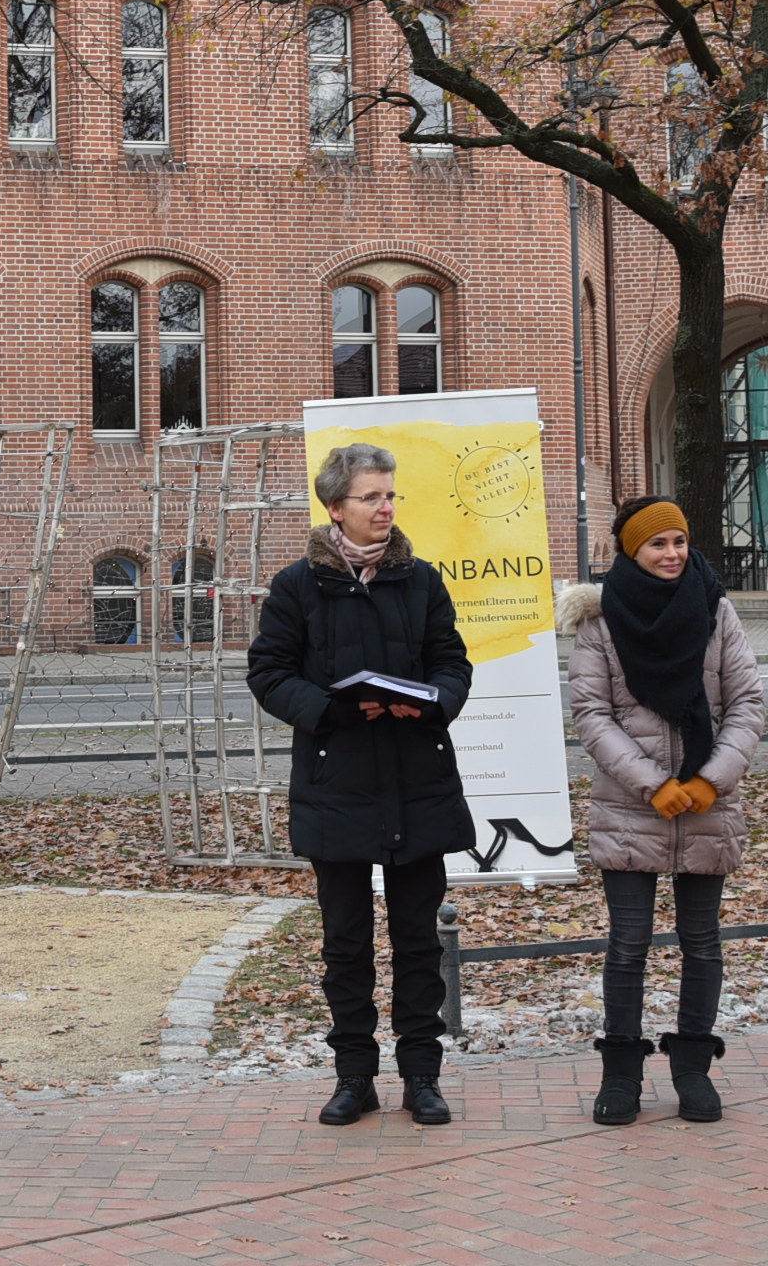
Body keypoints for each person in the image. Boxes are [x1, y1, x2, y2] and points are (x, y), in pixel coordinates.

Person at [247, 442, 476, 1128]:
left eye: (391, 495)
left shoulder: (421, 579)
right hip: (336, 783)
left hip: (417, 780)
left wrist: (434, 700)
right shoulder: (297, 586)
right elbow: (269, 673)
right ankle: (354, 1077)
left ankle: (421, 1078)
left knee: (417, 941)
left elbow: (453, 663)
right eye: (372, 497)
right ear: (335, 508)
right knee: (345, 944)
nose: (386, 507)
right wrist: (330, 710)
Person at [562, 495, 766, 1126]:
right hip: (631, 807)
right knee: (628, 945)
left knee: (702, 944)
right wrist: (654, 784)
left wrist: (711, 779)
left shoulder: (716, 609)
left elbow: (747, 703)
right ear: (631, 549)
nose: (672, 554)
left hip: (707, 803)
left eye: (679, 541)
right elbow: (592, 715)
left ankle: (693, 1071)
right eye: (658, 544)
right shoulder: (600, 622)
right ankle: (620, 1074)